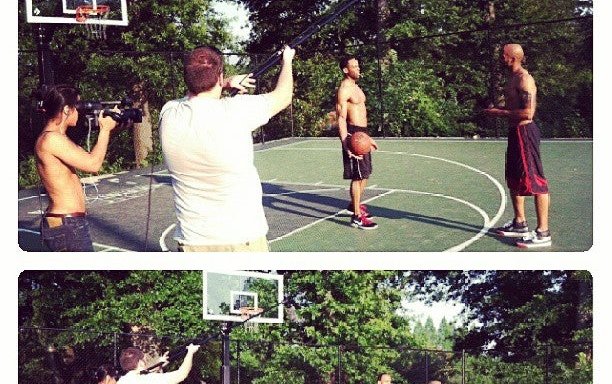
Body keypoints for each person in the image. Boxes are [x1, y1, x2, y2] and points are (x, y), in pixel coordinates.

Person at [160, 45, 295, 252]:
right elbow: (283, 95)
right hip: (242, 239)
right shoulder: (237, 110)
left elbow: (197, 97)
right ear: (220, 75)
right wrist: (287, 60)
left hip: (192, 244)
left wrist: (223, 84)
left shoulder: (169, 113)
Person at [34, 84, 119, 251]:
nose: (79, 113)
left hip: (68, 222)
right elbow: (93, 164)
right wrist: (105, 131)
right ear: (66, 110)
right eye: (76, 108)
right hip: (67, 223)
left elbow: (87, 156)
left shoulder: (57, 137)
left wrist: (110, 126)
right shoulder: (52, 139)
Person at [484, 43, 551, 248]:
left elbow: (528, 113)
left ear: (512, 58)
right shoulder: (512, 78)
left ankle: (543, 232)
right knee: (514, 177)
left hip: (525, 133)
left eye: (504, 55)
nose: (501, 57)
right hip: (514, 133)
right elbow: (514, 107)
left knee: (536, 180)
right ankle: (519, 222)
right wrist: (498, 109)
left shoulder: (524, 79)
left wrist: (500, 113)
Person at [336, 56, 379, 230]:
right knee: (358, 176)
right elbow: (341, 118)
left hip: (362, 134)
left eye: (358, 65)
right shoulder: (344, 90)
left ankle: (354, 204)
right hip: (353, 135)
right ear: (346, 70)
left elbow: (362, 113)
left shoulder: (357, 88)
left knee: (366, 174)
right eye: (354, 66)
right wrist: (346, 143)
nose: (358, 69)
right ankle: (356, 217)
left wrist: (368, 138)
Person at [117, 344, 199, 384]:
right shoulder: (149, 379)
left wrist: (160, 363)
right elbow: (181, 374)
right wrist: (190, 352)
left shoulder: (122, 381)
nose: (146, 360)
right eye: (144, 359)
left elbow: (143, 373)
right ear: (140, 362)